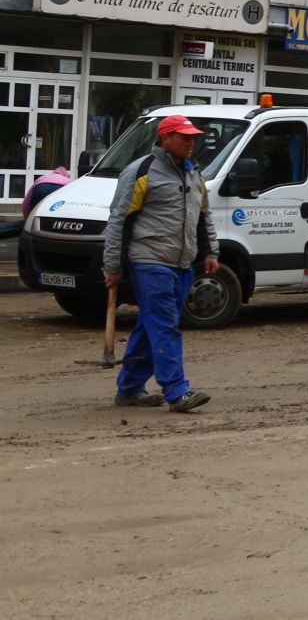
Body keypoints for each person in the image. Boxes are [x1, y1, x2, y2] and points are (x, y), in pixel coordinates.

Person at [101, 115, 215, 412]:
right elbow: (118, 220)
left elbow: (203, 217)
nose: (191, 143)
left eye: (192, 138)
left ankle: (129, 389)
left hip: (182, 264)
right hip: (150, 261)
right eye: (184, 137)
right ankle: (177, 391)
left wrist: (211, 252)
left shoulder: (194, 173)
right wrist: (112, 265)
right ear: (165, 139)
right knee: (165, 326)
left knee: (152, 326)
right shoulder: (142, 171)